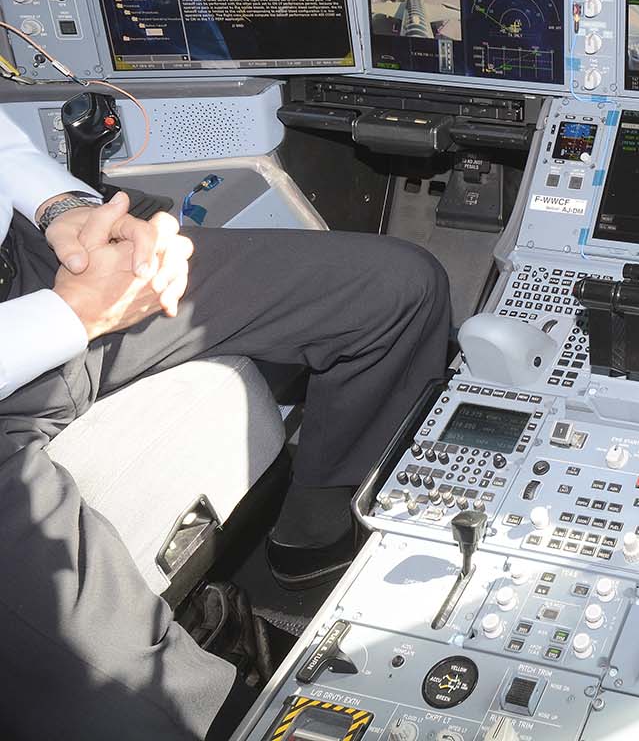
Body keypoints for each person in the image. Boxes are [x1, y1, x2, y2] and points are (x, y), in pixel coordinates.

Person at [0, 108, 452, 738]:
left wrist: (59, 208)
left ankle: (314, 547)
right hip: (29, 347)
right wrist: (70, 319)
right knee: (128, 709)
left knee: (398, 291)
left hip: (27, 278)